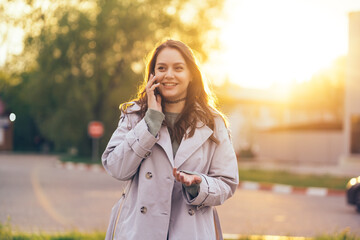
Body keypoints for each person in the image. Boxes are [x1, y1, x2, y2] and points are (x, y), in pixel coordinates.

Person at [102, 39, 239, 240]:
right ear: (152, 75)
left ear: (191, 74)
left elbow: (227, 183)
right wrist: (150, 123)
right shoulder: (135, 115)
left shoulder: (213, 123)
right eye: (162, 68)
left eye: (178, 68)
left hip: (192, 233)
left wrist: (198, 184)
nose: (169, 75)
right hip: (138, 232)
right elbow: (115, 167)